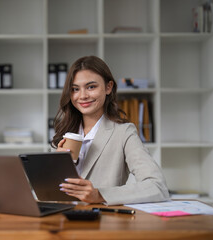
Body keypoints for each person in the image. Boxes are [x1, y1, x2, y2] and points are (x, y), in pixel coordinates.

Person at [52, 56, 169, 205]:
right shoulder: (63, 132)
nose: (82, 96)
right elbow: (50, 192)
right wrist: (56, 168)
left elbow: (157, 187)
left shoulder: (123, 132)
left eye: (91, 87)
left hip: (103, 222)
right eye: (75, 89)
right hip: (62, 220)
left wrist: (99, 195)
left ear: (108, 87)